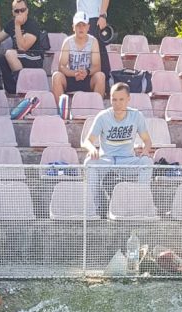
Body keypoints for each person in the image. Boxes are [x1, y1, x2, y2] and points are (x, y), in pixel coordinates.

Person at [84, 80, 152, 216]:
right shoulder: (103, 116)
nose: (117, 103)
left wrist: (145, 151)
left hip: (127, 160)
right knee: (89, 162)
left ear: (128, 99)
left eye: (121, 99)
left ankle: (141, 204)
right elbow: (87, 141)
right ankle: (95, 208)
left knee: (147, 162)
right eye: (114, 99)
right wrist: (91, 149)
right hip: (106, 160)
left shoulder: (136, 115)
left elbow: (147, 140)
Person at [0, 0, 45, 94]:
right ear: (13, 12)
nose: (20, 13)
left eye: (22, 10)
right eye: (17, 11)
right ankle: (12, 89)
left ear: (27, 10)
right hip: (17, 58)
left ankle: (22, 86)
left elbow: (23, 47)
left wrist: (17, 25)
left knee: (10, 53)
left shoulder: (32, 24)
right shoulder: (11, 24)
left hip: (34, 58)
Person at [51, 10, 105, 112]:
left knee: (100, 76)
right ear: (73, 27)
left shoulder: (93, 41)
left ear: (88, 27)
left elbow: (97, 66)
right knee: (56, 76)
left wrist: (86, 72)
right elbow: (61, 66)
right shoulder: (67, 42)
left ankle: (96, 112)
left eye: (83, 25)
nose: (81, 28)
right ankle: (62, 112)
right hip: (71, 77)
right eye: (78, 25)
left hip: (87, 77)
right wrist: (74, 73)